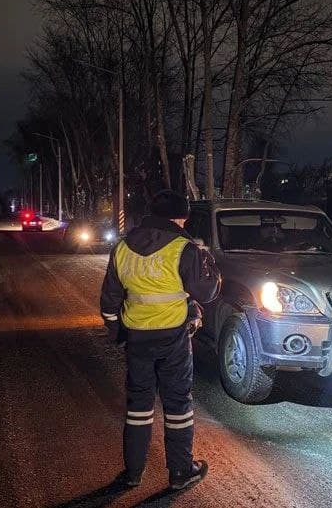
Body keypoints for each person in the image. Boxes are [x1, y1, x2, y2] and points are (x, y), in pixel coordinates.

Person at [100, 189, 221, 490]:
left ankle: (132, 473)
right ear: (180, 217)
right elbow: (206, 293)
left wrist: (118, 334)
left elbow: (109, 301)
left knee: (138, 405)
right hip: (173, 338)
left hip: (137, 339)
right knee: (178, 403)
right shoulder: (185, 248)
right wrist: (211, 268)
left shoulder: (122, 247)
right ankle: (180, 472)